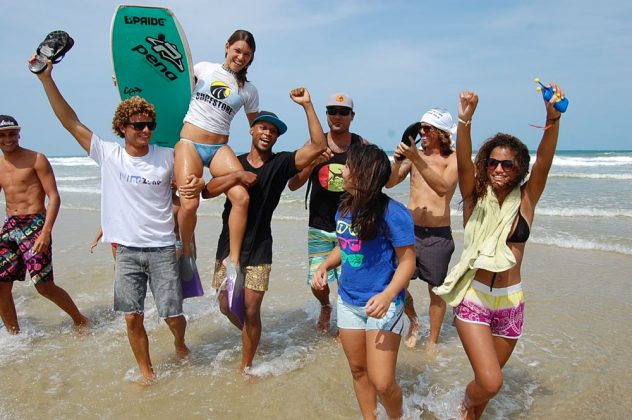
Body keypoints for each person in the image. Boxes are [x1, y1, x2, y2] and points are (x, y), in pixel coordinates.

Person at [33, 59, 204, 384]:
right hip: (125, 251)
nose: (145, 130)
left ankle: (180, 344)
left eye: (149, 125)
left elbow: (192, 190)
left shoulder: (166, 156)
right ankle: (146, 372)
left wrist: (197, 186)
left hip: (163, 248)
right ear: (122, 127)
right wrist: (46, 79)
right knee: (132, 316)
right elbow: (70, 122)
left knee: (172, 315)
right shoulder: (108, 154)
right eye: (137, 125)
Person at [435, 85, 565, 419]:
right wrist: (465, 121)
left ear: (519, 167)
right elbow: (463, 162)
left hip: (510, 302)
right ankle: (465, 402)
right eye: (493, 163)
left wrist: (553, 119)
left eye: (508, 165)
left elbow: (545, 163)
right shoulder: (473, 198)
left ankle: (471, 414)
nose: (499, 169)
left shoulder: (526, 199)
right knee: (491, 383)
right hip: (475, 298)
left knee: (487, 386)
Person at [205, 87, 327, 373]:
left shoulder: (281, 162)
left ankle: (246, 365)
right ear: (252, 130)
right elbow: (208, 191)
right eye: (263, 127)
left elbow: (318, 145)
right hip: (228, 246)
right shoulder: (233, 161)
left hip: (260, 247)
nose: (267, 133)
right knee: (226, 304)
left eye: (273, 131)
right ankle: (252, 333)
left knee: (251, 310)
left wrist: (308, 105)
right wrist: (235, 175)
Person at [312, 143, 416, 419]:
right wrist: (325, 264)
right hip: (348, 302)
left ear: (363, 173)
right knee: (359, 370)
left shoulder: (393, 212)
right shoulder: (344, 208)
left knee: (383, 381)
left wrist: (388, 295)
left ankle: (397, 416)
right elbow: (345, 246)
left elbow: (408, 262)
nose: (342, 170)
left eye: (347, 165)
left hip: (384, 302)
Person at [175, 29, 259, 280]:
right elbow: (167, 86)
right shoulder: (203, 69)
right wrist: (125, 80)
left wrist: (259, 162)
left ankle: (233, 261)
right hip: (189, 142)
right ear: (227, 47)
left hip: (219, 149)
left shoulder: (248, 90)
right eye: (237, 51)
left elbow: (256, 128)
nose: (241, 57)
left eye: (247, 54)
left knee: (242, 198)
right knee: (189, 203)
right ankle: (186, 248)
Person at [0, 115, 89, 334]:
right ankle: (15, 335)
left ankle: (79, 320)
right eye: (2, 135)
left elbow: (54, 196)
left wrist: (45, 231)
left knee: (43, 285)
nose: (8, 139)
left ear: (19, 134)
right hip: (10, 226)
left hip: (35, 223)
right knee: (1, 285)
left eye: (12, 133)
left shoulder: (36, 159)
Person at [288, 93, 367, 333]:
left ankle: (348, 322)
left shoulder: (361, 145)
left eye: (343, 112)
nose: (337, 116)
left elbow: (375, 181)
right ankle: (325, 306)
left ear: (352, 117)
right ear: (326, 115)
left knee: (350, 278)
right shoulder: (314, 144)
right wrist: (312, 162)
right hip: (319, 225)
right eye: (332, 111)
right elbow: (293, 184)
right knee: (317, 281)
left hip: (351, 224)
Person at [386, 108, 458, 350]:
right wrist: (397, 162)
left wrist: (416, 157)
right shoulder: (414, 157)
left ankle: (433, 341)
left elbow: (443, 188)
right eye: (421, 128)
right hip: (409, 231)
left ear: (441, 132)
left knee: (436, 290)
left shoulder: (453, 159)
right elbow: (390, 182)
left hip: (437, 235)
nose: (422, 132)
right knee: (398, 284)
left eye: (427, 128)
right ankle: (413, 321)